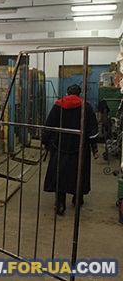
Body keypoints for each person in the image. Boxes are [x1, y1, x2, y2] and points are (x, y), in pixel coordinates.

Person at [42, 84, 99, 215]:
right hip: (79, 147)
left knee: (60, 173)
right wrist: (94, 146)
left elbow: (49, 125)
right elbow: (92, 128)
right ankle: (77, 198)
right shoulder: (86, 107)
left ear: (67, 93)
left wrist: (45, 143)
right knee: (79, 173)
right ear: (80, 94)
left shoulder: (58, 106)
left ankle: (60, 204)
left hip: (60, 146)